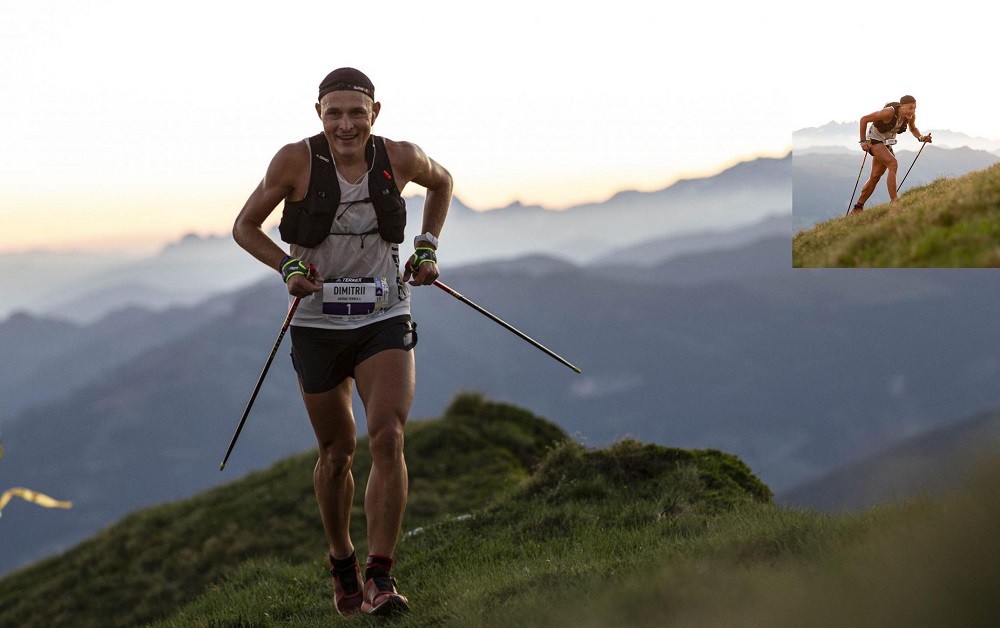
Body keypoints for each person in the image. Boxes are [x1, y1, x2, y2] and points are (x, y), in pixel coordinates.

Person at [232, 67, 452, 617]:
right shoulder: (293, 162)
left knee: (388, 436)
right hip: (316, 324)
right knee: (336, 454)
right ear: (319, 114)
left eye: (357, 111)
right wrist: (286, 266)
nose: (346, 123)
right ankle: (342, 560)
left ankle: (381, 576)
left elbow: (443, 182)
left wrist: (426, 246)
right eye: (335, 112)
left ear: (375, 112)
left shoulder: (400, 157)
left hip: (384, 313)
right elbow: (244, 226)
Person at [851, 94, 932, 214]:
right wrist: (863, 141)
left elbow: (913, 128)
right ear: (901, 106)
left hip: (885, 143)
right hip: (874, 140)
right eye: (910, 107)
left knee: (875, 176)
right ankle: (895, 202)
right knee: (893, 164)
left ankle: (858, 207)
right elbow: (864, 119)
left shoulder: (909, 116)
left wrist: (921, 138)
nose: (912, 111)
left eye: (914, 108)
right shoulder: (889, 112)